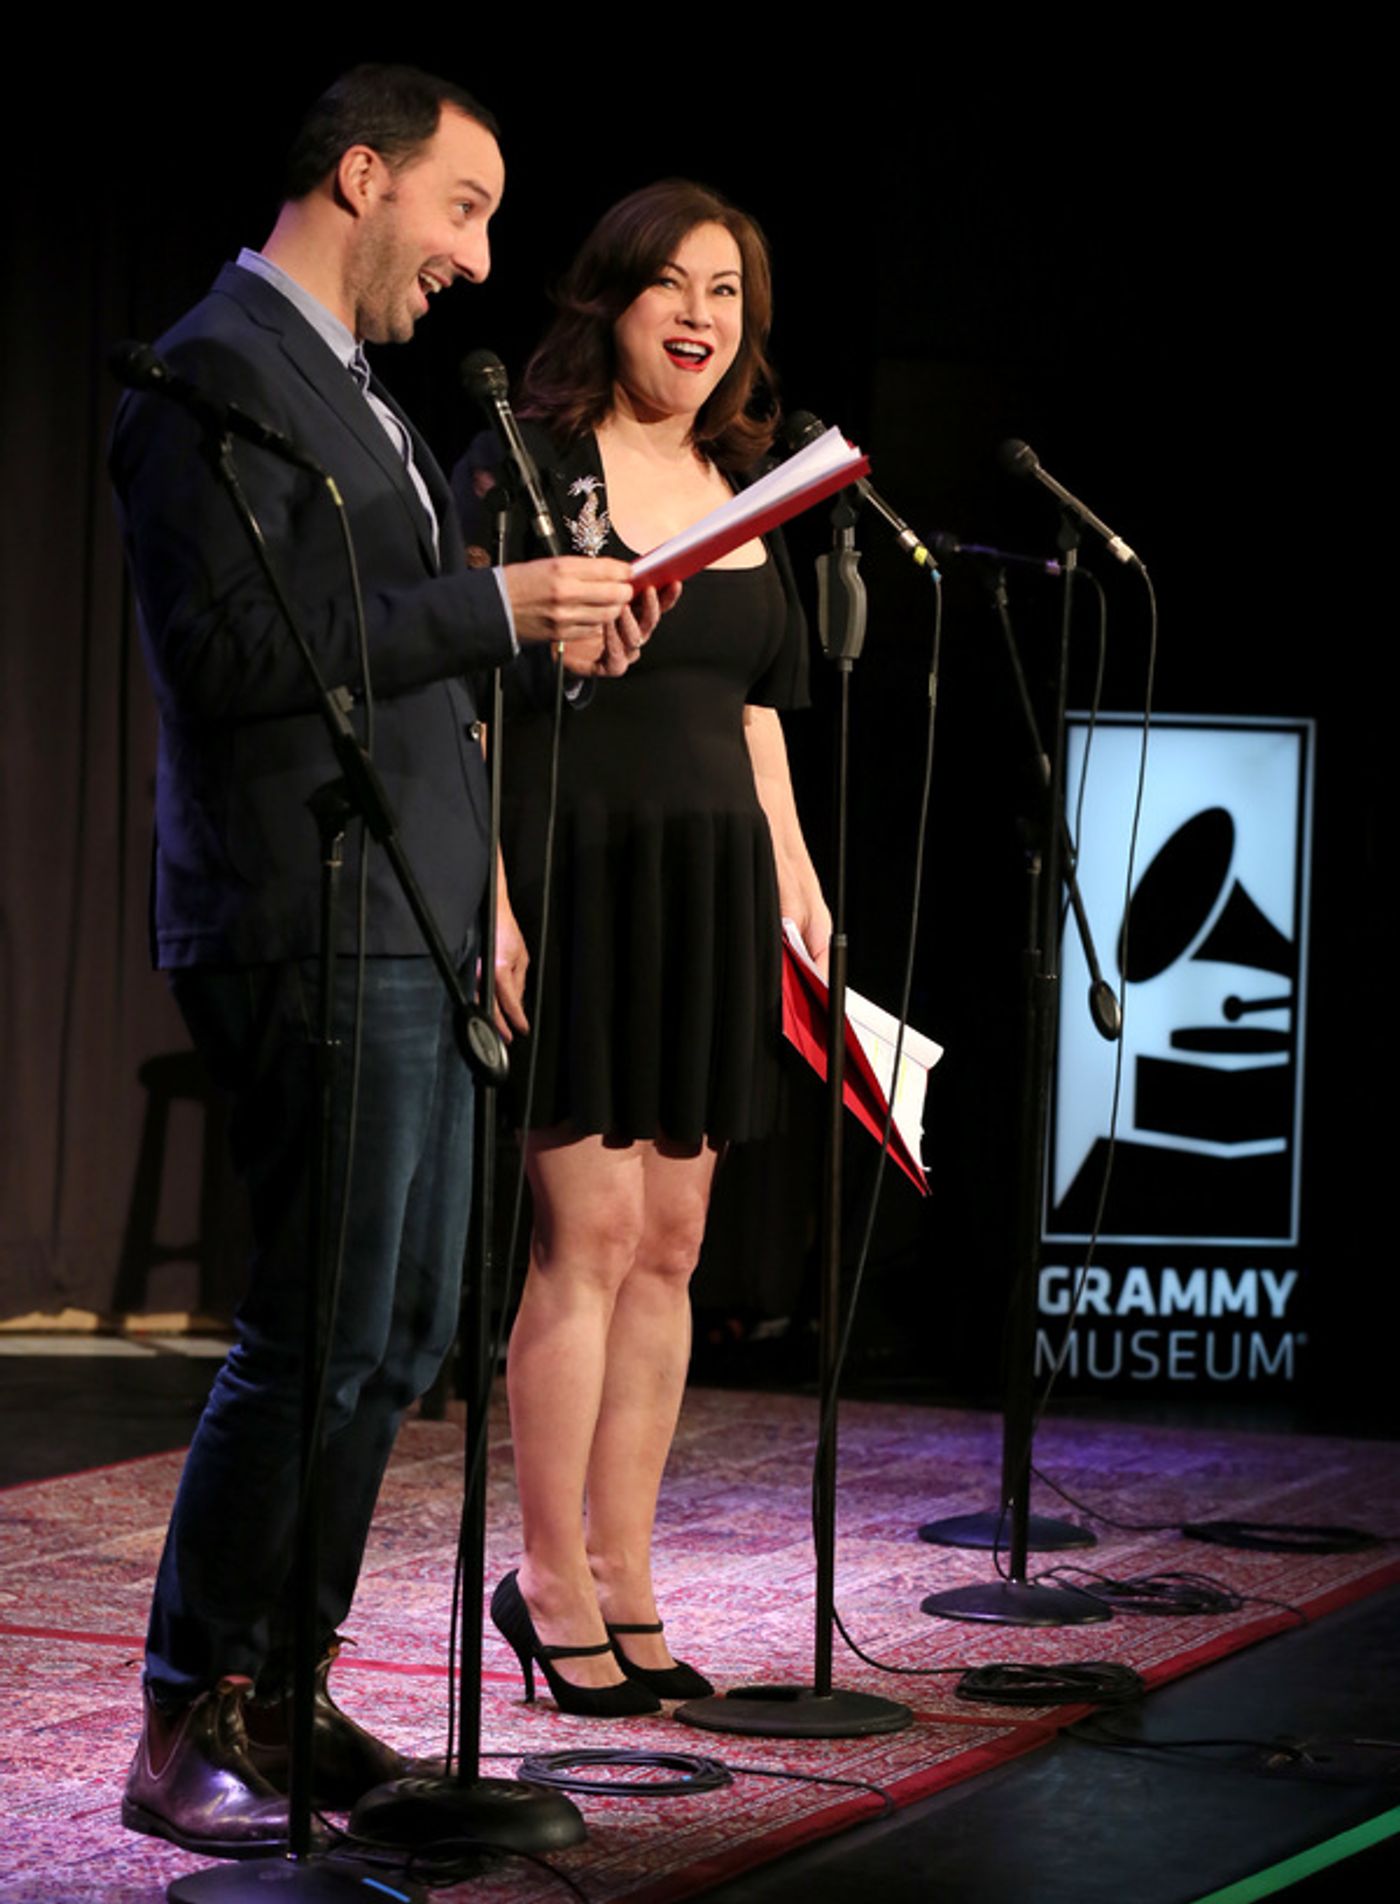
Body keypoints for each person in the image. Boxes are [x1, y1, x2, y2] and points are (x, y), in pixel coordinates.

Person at [110, 65, 670, 1857]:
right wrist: (493, 606)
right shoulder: (210, 371)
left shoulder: (358, 392)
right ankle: (185, 1710)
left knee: (403, 1329)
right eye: (464, 207)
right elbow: (233, 649)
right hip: (301, 911)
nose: (479, 260)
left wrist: (540, 652)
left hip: (420, 916)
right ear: (364, 176)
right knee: (324, 1323)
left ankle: (285, 1687)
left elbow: (406, 668)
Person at [456, 181, 830, 1717]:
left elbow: (753, 715)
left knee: (673, 1249)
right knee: (589, 1242)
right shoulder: (531, 472)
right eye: (669, 286)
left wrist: (800, 887)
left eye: (725, 292)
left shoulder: (749, 487)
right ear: (609, 300)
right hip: (576, 875)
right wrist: (485, 895)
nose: (697, 315)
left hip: (712, 894)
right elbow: (461, 697)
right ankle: (544, 1585)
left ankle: (627, 1575)